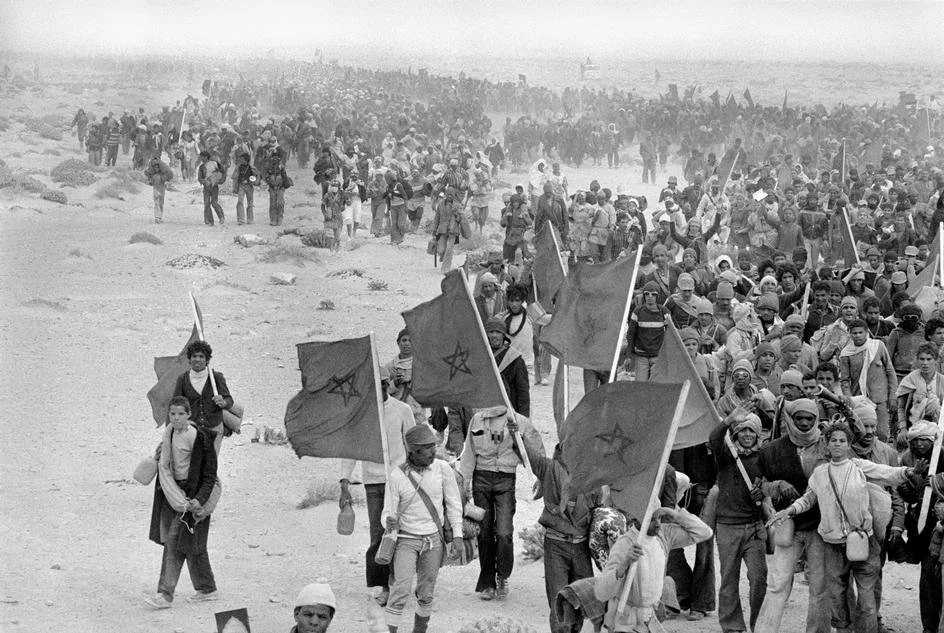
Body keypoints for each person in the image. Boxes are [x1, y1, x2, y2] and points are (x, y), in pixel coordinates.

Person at [769, 422, 924, 633]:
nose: (837, 444)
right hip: (833, 546)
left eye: (842, 441)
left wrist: (910, 471)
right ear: (827, 444)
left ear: (849, 444)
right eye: (833, 440)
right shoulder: (820, 473)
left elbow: (886, 472)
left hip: (863, 541)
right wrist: (790, 511)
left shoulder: (858, 467)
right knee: (837, 598)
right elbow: (808, 499)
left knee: (867, 602)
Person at [339, 366, 415, 607]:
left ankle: (400, 581)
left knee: (400, 533)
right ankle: (383, 585)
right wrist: (344, 481)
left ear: (388, 384)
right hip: (373, 481)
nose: (378, 389)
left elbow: (413, 444)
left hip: (399, 480)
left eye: (382, 384)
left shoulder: (402, 410)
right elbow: (351, 449)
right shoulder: (360, 413)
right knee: (378, 533)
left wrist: (415, 476)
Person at [754, 398, 829, 633]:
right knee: (777, 583)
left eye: (810, 418)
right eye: (799, 418)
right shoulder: (771, 450)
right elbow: (758, 489)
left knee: (819, 587)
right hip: (788, 526)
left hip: (820, 527)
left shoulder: (828, 447)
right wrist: (777, 486)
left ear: (816, 419)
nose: (804, 423)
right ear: (790, 419)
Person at [382, 424, 464, 633]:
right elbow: (387, 512)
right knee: (401, 590)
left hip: (433, 540)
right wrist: (388, 521)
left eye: (433, 447)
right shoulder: (396, 476)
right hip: (406, 540)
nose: (432, 452)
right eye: (425, 449)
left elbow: (454, 504)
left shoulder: (443, 468)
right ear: (412, 452)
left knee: (426, 593)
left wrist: (458, 536)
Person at [459, 406, 541, 601]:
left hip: (506, 478)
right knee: (484, 532)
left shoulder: (519, 421)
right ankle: (487, 582)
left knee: (504, 532)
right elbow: (469, 452)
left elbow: (535, 455)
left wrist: (517, 437)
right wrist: (464, 482)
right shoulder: (477, 419)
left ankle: (503, 575)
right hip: (481, 477)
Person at [145, 396, 219, 608]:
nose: (176, 418)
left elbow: (210, 475)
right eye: (172, 414)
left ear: (189, 415)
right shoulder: (168, 435)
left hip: (194, 495)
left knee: (174, 543)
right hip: (174, 495)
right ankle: (207, 589)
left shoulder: (200, 438)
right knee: (193, 544)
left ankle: (165, 595)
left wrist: (199, 500)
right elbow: (167, 466)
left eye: (180, 414)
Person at [595, 504, 713, 632]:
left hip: (651, 617)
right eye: (651, 520)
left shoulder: (663, 535)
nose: (657, 524)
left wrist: (675, 515)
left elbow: (705, 532)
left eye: (659, 518)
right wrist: (625, 563)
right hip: (626, 620)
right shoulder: (624, 544)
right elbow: (602, 591)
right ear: (635, 519)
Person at [709, 410, 767, 633]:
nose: (747, 435)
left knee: (759, 577)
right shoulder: (726, 455)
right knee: (729, 579)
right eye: (742, 430)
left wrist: (764, 491)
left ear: (758, 433)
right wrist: (729, 420)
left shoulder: (764, 457)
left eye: (751, 430)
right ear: (735, 434)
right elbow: (714, 438)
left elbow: (773, 484)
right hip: (727, 527)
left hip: (755, 526)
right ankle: (732, 625)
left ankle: (758, 624)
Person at [837, 319, 897, 441]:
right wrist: (850, 399)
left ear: (866, 332)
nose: (858, 335)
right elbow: (844, 380)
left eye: (860, 332)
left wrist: (892, 396)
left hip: (880, 398)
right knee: (861, 433)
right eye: (854, 333)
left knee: (882, 433)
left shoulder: (878, 346)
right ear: (850, 334)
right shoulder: (846, 353)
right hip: (860, 399)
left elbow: (890, 371)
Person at [172, 340, 234, 454]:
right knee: (193, 462)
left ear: (207, 360)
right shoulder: (183, 379)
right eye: (194, 356)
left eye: (201, 356)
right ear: (189, 359)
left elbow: (229, 400)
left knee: (209, 463)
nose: (197, 359)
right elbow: (175, 404)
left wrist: (223, 402)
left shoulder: (216, 377)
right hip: (190, 430)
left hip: (214, 429)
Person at [895, 342, 944, 436]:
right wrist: (903, 428)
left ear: (936, 361)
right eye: (922, 359)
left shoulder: (942, 381)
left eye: (929, 359)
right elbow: (901, 407)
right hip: (913, 426)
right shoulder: (910, 379)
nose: (925, 363)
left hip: (937, 427)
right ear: (917, 360)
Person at [626, 281, 670, 381]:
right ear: (644, 295)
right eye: (647, 294)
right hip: (641, 356)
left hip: (658, 356)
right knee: (640, 385)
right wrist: (628, 355)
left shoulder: (664, 312)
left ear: (657, 296)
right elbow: (630, 335)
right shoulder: (638, 311)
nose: (650, 297)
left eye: (653, 294)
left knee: (655, 385)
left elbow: (671, 333)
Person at [383, 328, 425, 424]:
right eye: (404, 340)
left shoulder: (421, 365)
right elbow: (383, 393)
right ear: (398, 343)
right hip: (396, 414)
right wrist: (395, 383)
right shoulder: (390, 366)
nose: (407, 343)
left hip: (417, 414)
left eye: (410, 341)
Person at [197, 151, 225, 226]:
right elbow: (200, 177)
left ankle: (221, 217)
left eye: (202, 157)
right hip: (206, 187)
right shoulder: (201, 167)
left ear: (206, 157)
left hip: (214, 186)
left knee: (214, 203)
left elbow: (222, 172)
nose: (201, 159)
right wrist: (203, 181)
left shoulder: (215, 163)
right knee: (206, 204)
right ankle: (209, 221)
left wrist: (220, 181)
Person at [145, 155, 174, 224]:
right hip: (157, 190)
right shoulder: (157, 176)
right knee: (157, 203)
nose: (156, 168)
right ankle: (157, 217)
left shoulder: (160, 176)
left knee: (160, 204)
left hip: (160, 190)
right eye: (155, 167)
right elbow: (150, 181)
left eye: (157, 167)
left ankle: (159, 217)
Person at [232, 152, 258, 225]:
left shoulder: (251, 168)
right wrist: (235, 187)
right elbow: (235, 177)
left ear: (246, 160)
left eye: (242, 159)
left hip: (249, 186)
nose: (240, 160)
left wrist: (252, 181)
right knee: (240, 201)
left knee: (250, 203)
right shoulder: (238, 167)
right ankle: (241, 219)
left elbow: (256, 176)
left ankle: (250, 219)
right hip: (241, 186)